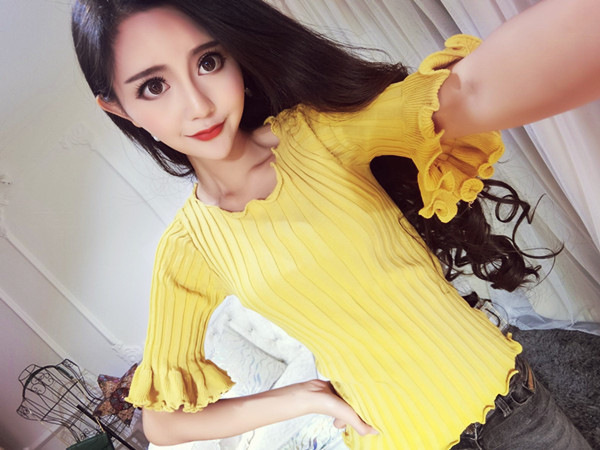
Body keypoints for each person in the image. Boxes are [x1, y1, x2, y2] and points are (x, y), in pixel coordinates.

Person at [70, 0, 599, 448]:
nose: (198, 104)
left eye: (208, 61)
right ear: (119, 109)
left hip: (511, 406)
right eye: (153, 86)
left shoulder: (319, 135)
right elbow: (163, 424)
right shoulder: (188, 249)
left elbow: (467, 94)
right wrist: (302, 396)